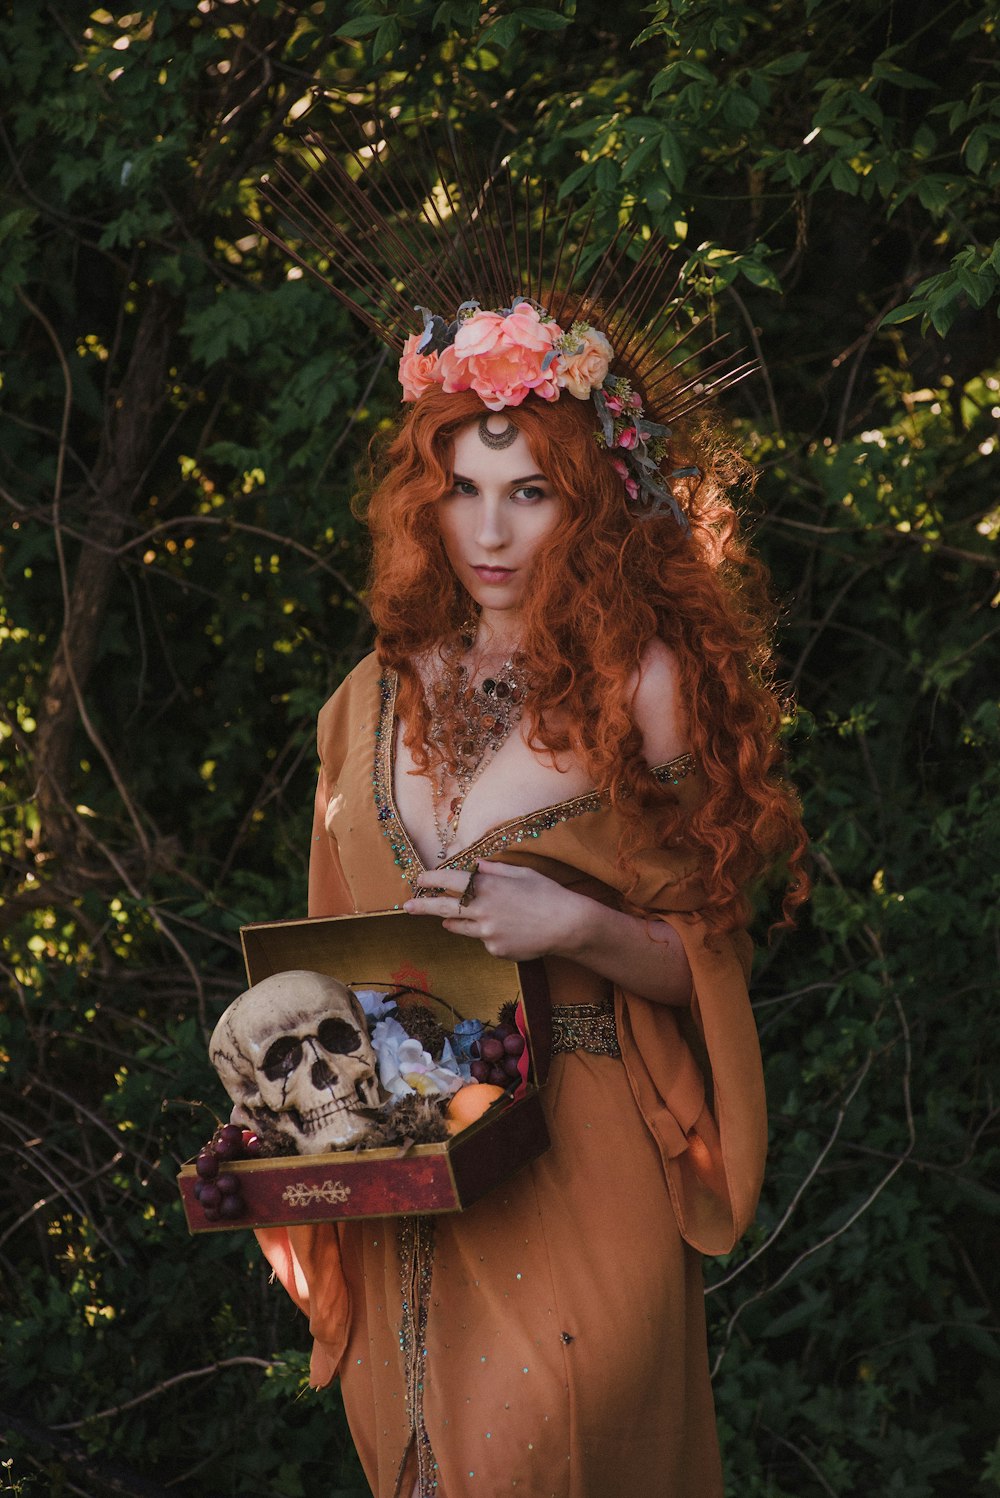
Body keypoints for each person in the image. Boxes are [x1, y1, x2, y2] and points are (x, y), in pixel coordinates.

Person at [252, 137, 807, 1498]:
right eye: (464, 487)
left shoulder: (651, 692)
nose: (490, 529)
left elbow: (714, 964)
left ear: (591, 502)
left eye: (532, 491)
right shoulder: (366, 701)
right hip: (404, 1179)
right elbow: (319, 979)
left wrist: (567, 918)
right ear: (424, 493)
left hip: (586, 1152)